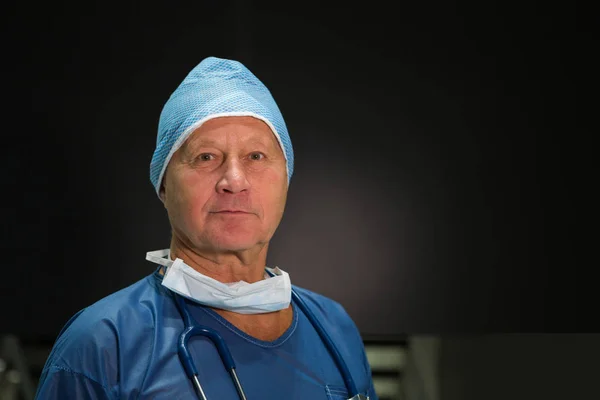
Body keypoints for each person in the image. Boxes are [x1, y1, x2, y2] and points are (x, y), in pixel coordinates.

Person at [34, 57, 378, 399]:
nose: (234, 181)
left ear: (286, 179)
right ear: (164, 185)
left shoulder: (334, 328)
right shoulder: (102, 344)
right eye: (206, 157)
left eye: (256, 156)